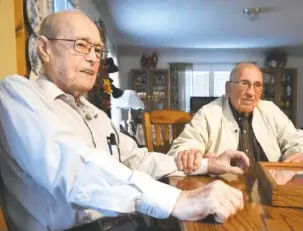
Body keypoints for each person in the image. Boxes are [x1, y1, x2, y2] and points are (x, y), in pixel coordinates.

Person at [0, 10, 247, 231]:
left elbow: (138, 161)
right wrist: (176, 200)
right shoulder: (16, 94)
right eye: (81, 45)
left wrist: (207, 164)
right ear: (44, 48)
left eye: (97, 49)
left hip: (129, 222)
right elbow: (72, 166)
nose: (93, 58)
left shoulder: (95, 114)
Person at [168, 62, 303, 174]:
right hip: (223, 189)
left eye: (257, 85)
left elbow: (296, 141)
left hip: (269, 187)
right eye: (244, 83)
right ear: (228, 88)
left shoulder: (271, 110)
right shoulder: (208, 113)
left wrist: (296, 154)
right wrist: (192, 154)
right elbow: (185, 146)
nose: (251, 92)